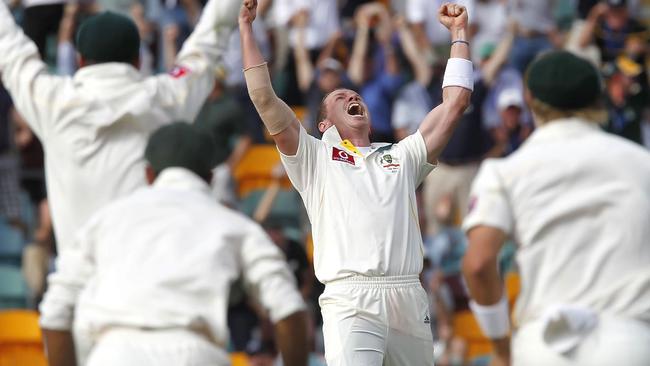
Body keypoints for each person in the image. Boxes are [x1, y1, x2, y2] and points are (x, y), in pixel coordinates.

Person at [239, 0, 473, 364]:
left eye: (355, 95)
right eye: (340, 97)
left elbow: (455, 102)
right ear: (324, 124)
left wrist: (459, 34)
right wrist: (246, 28)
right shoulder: (314, 157)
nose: (352, 96)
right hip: (351, 298)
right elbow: (262, 97)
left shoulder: (403, 155)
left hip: (408, 294)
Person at [39, 123, 309, 366]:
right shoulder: (235, 226)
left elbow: (54, 314)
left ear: (148, 173)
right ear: (211, 177)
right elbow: (289, 310)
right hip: (197, 355)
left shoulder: (106, 219)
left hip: (114, 353)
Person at [0, 0, 239, 256]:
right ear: (137, 60)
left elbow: (12, 50)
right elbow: (205, 47)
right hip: (144, 279)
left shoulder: (52, 101)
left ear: (80, 60)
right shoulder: (165, 98)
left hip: (80, 287)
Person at [461, 51, 650, 366]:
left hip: (544, 346)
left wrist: (500, 346)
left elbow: (479, 263)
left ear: (530, 98)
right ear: (596, 98)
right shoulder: (642, 162)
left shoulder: (505, 170)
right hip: (629, 341)